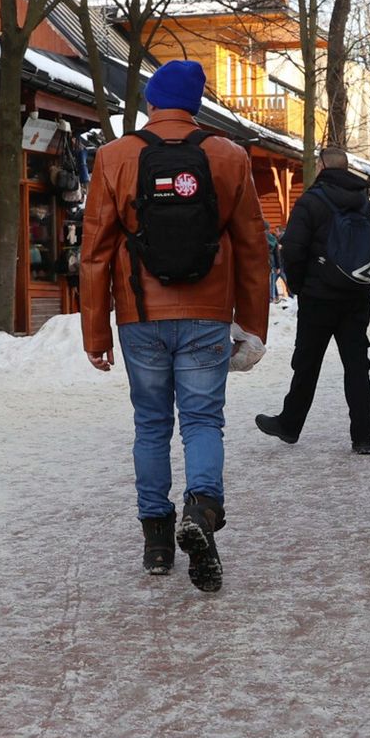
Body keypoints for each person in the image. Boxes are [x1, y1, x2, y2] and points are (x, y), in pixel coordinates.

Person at [81, 60, 269, 593]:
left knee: (151, 424)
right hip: (208, 317)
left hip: (140, 317)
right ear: (196, 104)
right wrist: (253, 327)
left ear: (151, 102)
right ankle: (203, 512)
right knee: (203, 421)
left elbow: (94, 253)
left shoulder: (114, 157)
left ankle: (157, 541)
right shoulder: (229, 156)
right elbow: (255, 249)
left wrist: (96, 334)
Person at [256, 147, 370, 452]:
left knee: (307, 364)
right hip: (355, 299)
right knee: (357, 365)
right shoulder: (368, 207)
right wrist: (365, 284)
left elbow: (293, 249)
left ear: (323, 165)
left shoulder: (312, 202)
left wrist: (300, 286)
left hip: (318, 298)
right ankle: (362, 437)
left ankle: (289, 425)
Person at [265, 224, 286, 305]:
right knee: (273, 280)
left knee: (272, 281)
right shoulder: (273, 239)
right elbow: (276, 254)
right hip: (273, 263)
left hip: (267, 263)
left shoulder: (259, 238)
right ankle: (273, 296)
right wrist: (278, 266)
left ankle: (272, 297)